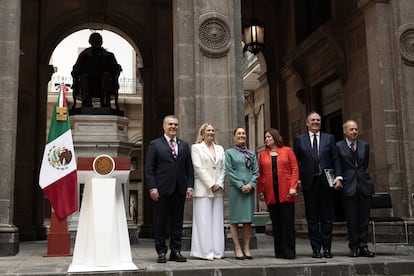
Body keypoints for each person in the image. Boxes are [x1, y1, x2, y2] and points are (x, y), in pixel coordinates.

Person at [144, 115, 194, 263]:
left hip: (180, 189)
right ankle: (161, 251)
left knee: (177, 221)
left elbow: (189, 169)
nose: (173, 127)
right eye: (170, 124)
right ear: (164, 126)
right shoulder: (155, 144)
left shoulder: (184, 145)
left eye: (176, 125)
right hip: (161, 189)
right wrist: (152, 187)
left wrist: (190, 186)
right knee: (161, 221)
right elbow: (149, 168)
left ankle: (176, 251)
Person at [293, 111, 342, 258]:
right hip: (309, 183)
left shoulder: (329, 138)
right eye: (313, 120)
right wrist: (298, 180)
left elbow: (336, 159)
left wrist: (338, 177)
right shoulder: (300, 139)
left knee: (327, 217)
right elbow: (296, 161)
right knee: (312, 218)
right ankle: (316, 249)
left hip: (326, 182)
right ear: (307, 123)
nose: (315, 122)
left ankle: (327, 248)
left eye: (318, 120)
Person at [258, 128, 299, 259]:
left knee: (287, 222)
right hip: (271, 192)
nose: (267, 139)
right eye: (266, 137)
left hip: (287, 191)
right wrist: (260, 190)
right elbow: (260, 174)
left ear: (275, 137)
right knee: (276, 223)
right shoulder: (263, 154)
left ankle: (289, 251)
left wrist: (293, 187)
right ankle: (279, 252)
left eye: (269, 137)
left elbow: (294, 169)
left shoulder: (287, 151)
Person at [336, 120, 375, 257]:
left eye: (356, 129)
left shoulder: (365, 145)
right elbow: (338, 165)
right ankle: (354, 246)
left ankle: (363, 245)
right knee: (352, 218)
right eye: (351, 129)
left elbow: (364, 165)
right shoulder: (338, 146)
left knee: (364, 218)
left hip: (364, 185)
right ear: (345, 131)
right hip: (348, 185)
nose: (354, 132)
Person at [190, 123, 225, 260]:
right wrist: (211, 184)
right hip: (203, 189)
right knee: (203, 221)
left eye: (213, 130)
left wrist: (219, 183)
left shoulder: (220, 148)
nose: (211, 132)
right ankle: (204, 252)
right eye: (208, 130)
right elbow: (198, 168)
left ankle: (217, 251)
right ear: (202, 133)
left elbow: (223, 168)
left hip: (218, 190)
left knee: (217, 221)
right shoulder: (196, 148)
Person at [225, 127, 259, 260]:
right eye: (238, 133)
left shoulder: (251, 153)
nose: (241, 135)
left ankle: (246, 247)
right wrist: (240, 185)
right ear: (234, 137)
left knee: (247, 220)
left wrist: (250, 184)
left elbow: (256, 171)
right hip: (236, 189)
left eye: (243, 133)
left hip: (249, 189)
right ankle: (237, 248)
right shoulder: (229, 153)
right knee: (235, 220)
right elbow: (229, 171)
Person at [71, 32, 122, 109]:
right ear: (90, 42)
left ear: (101, 42)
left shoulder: (109, 55)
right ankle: (86, 104)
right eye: (94, 40)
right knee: (84, 78)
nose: (96, 42)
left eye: (98, 40)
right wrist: (77, 72)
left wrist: (117, 68)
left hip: (104, 80)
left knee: (105, 77)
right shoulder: (84, 55)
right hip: (88, 79)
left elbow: (116, 68)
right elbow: (76, 68)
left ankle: (105, 103)